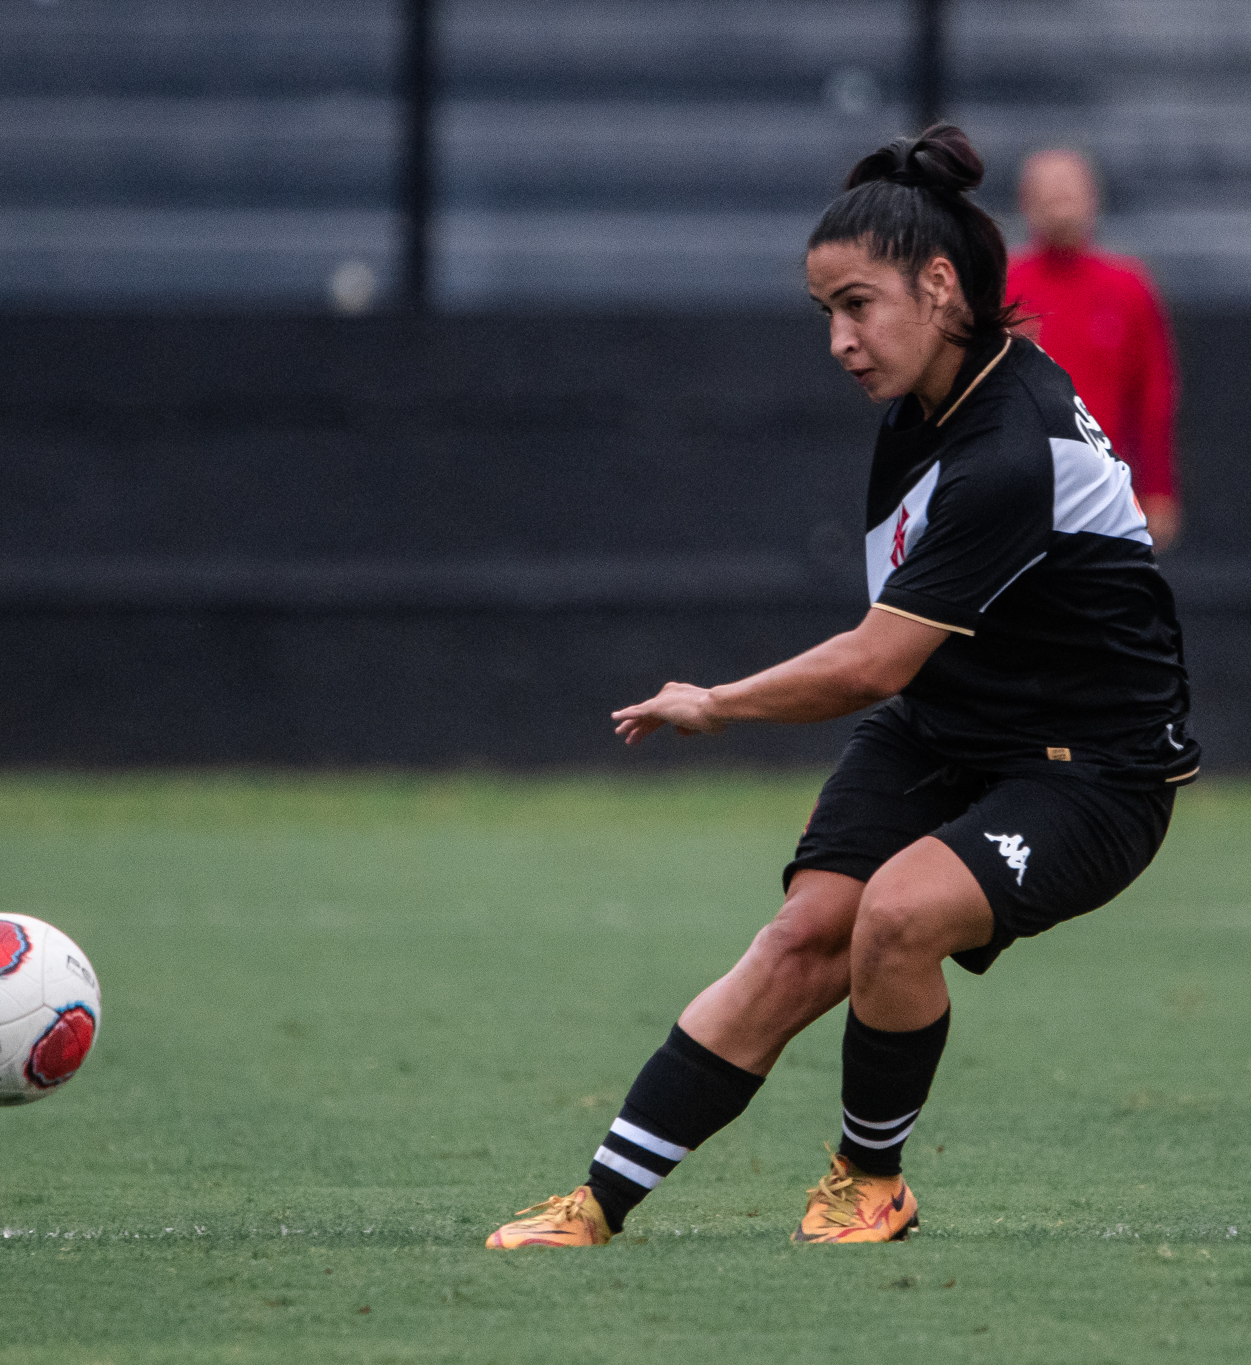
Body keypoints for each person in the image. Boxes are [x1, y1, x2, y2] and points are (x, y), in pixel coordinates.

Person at [484, 125, 1200, 1250]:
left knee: (897, 917)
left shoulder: (1007, 449)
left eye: (857, 306)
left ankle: (871, 1182)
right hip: (949, 727)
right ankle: (598, 1205)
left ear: (938, 286)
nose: (839, 340)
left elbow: (872, 662)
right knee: (804, 936)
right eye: (825, 311)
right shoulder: (925, 406)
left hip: (1093, 772)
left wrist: (715, 702)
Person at [1008, 149, 1182, 550]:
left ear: (1093, 198)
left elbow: (1154, 397)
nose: (1059, 200)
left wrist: (1158, 488)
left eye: (1069, 190)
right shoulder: (1001, 285)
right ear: (1026, 202)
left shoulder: (1129, 287)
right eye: (1047, 192)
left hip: (1105, 494)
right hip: (1017, 493)